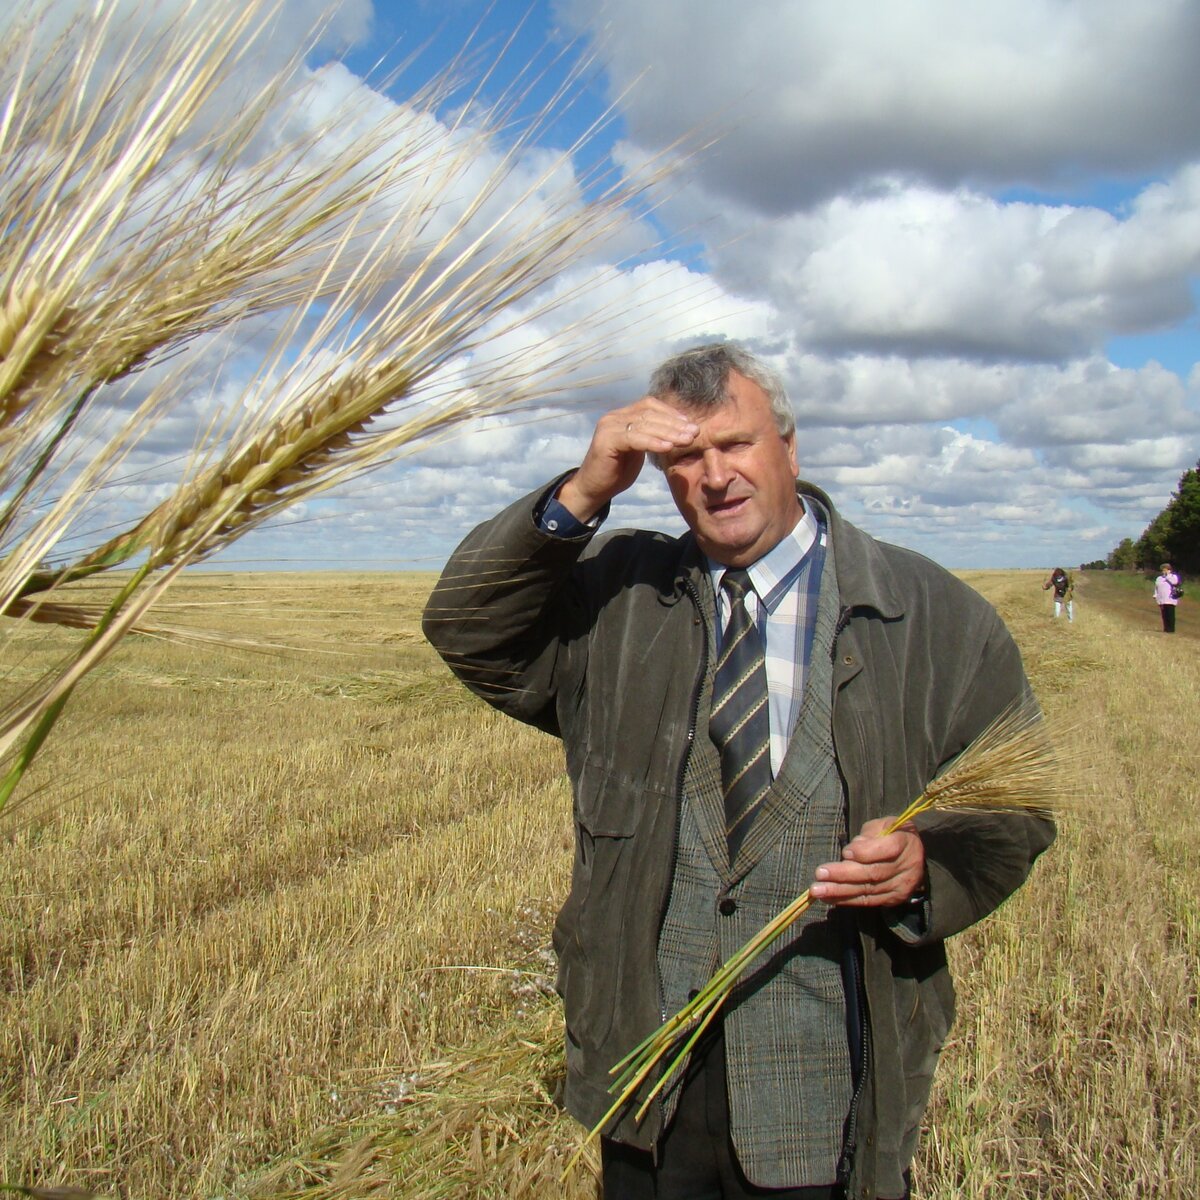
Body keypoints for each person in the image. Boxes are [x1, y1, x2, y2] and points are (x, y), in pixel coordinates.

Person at [422, 342, 1055, 1200]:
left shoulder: (933, 616)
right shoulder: (618, 600)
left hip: (831, 1090)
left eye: (736, 444)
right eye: (683, 457)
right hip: (647, 1081)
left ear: (789, 448)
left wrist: (923, 870)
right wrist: (583, 493)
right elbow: (466, 628)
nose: (714, 476)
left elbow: (1016, 806)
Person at [1154, 562, 1181, 633]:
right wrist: (1155, 595)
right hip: (1161, 599)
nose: (1164, 571)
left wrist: (1167, 576)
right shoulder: (1159, 578)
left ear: (1169, 570)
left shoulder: (1173, 577)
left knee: (1170, 615)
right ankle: (1166, 628)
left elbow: (1174, 582)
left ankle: (1171, 629)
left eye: (1166, 570)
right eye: (1163, 570)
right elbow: (1156, 587)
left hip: (1170, 599)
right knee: (1164, 615)